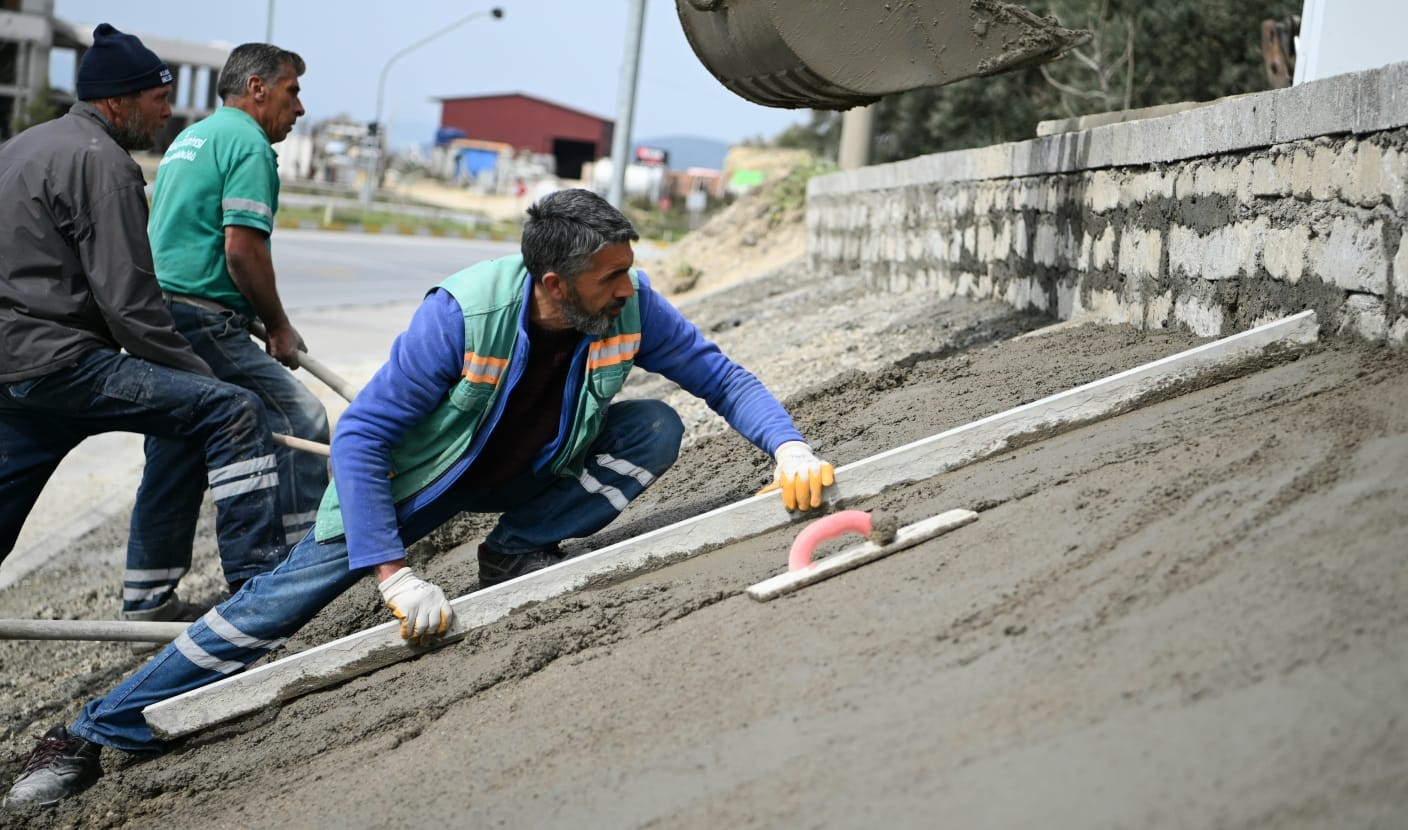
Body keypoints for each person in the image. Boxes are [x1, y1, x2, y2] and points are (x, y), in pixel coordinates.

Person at [3, 188, 835, 807]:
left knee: (652, 425)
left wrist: (788, 444)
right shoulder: (463, 313)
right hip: (412, 484)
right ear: (554, 282)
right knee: (271, 606)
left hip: (526, 468)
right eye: (611, 276)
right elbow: (361, 438)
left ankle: (516, 547)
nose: (629, 288)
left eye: (627, 271)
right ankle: (88, 732)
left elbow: (721, 376)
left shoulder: (631, 303)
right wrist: (394, 574)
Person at [0, 25, 286, 614]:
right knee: (231, 410)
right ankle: (261, 597)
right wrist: (201, 376)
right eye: (158, 100)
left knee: (184, 419)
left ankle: (150, 597)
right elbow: (131, 306)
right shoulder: (104, 164)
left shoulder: (22, 147)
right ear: (117, 101)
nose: (166, 113)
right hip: (66, 364)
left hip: (13, 368)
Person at [127, 42, 328, 626]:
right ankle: (300, 572)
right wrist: (281, 327)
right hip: (200, 318)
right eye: (292, 92)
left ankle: (146, 602)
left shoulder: (192, 138)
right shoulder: (248, 144)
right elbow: (242, 251)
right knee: (300, 419)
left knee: (178, 448)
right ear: (259, 88)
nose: (300, 108)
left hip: (159, 316)